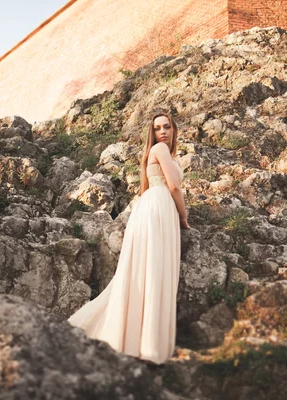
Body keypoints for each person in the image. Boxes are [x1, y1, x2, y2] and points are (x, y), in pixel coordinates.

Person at [67, 112, 190, 364]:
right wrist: (184, 217)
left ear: (174, 129)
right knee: (154, 271)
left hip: (153, 207)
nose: (163, 131)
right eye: (157, 128)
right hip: (159, 207)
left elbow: (156, 186)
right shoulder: (160, 149)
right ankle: (147, 344)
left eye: (167, 126)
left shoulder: (162, 154)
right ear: (152, 133)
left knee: (146, 271)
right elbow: (174, 187)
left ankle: (140, 340)